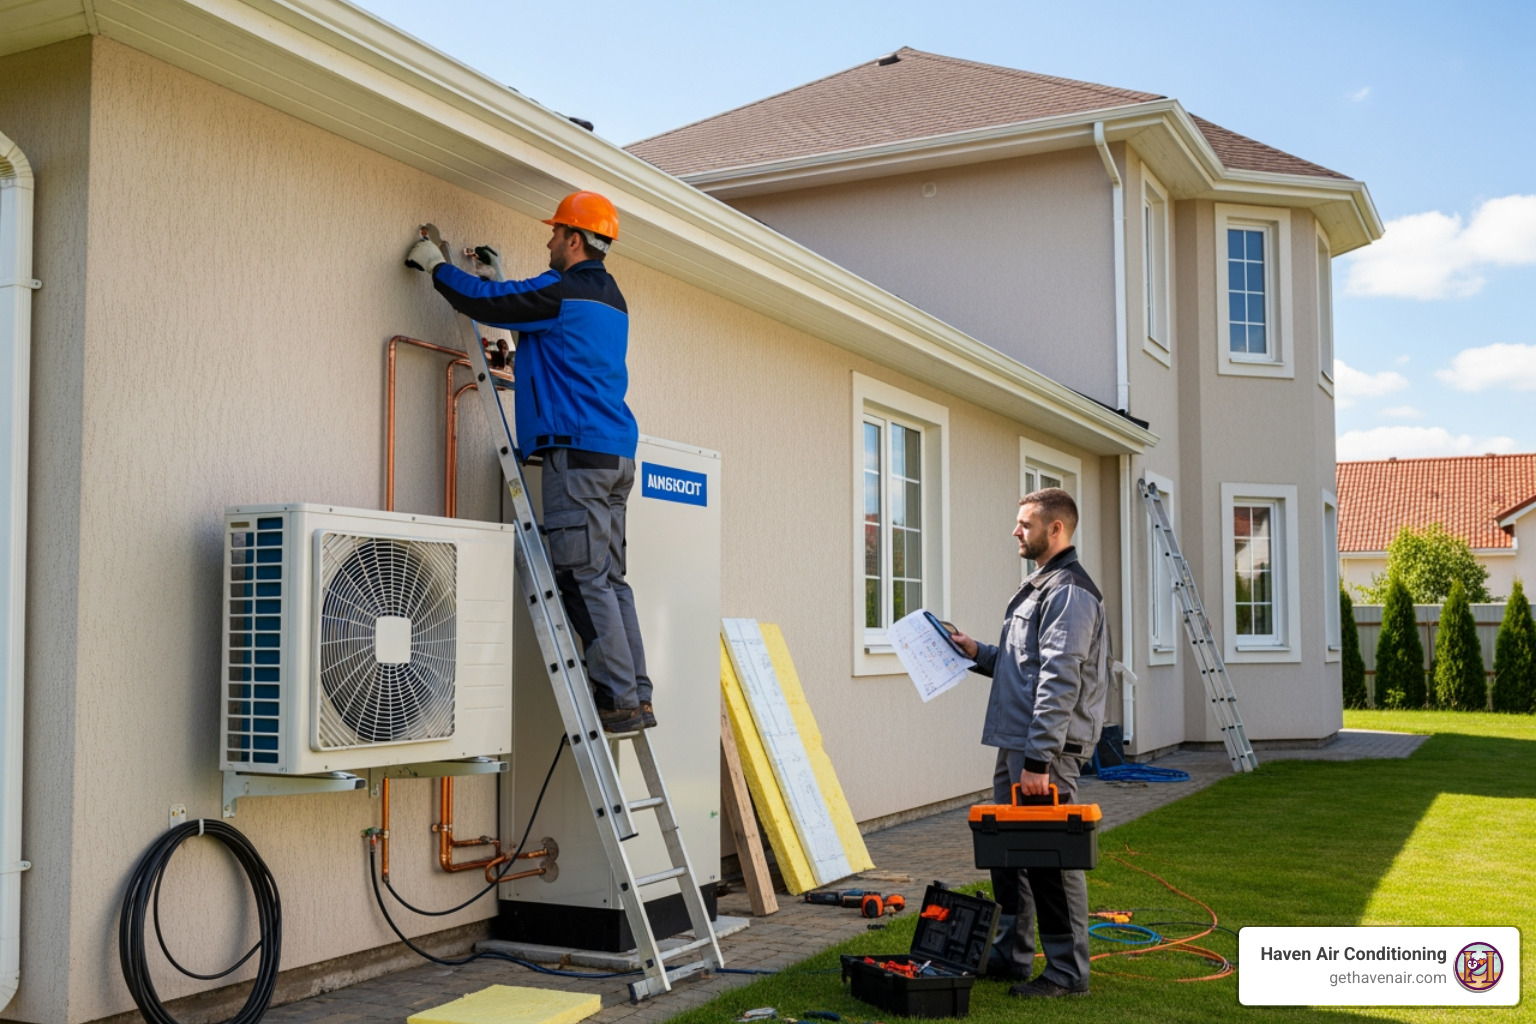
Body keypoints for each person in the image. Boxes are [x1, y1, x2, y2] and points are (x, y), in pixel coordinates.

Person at [404, 191, 653, 735]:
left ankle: (618, 700)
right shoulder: (610, 298)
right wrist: (501, 276)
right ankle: (636, 695)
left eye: (554, 233)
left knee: (582, 577)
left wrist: (438, 268)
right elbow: (538, 320)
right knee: (610, 579)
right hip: (614, 455)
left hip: (579, 457)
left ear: (574, 239)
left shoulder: (562, 291)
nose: (548, 241)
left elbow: (495, 306)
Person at [948, 487, 1110, 998]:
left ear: (1055, 529)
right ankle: (1011, 955)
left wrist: (1039, 760)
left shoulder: (1069, 592)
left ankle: (1066, 972)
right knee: (1007, 854)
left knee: (1050, 861)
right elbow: (1025, 667)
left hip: (1046, 752)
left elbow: (1060, 679)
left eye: (1025, 523)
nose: (1015, 531)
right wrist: (975, 651)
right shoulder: (1040, 587)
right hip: (1017, 744)